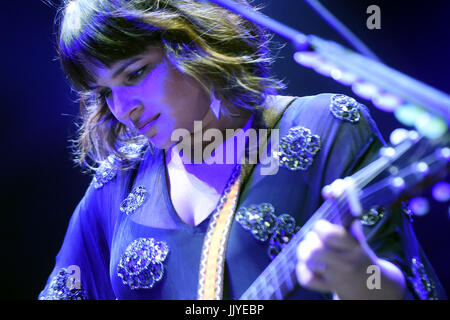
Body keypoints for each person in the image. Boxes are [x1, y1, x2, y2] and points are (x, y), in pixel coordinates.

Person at [39, 0, 446, 300]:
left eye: (136, 72)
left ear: (193, 43)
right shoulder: (115, 189)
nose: (124, 109)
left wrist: (359, 275)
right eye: (106, 92)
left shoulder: (325, 125)